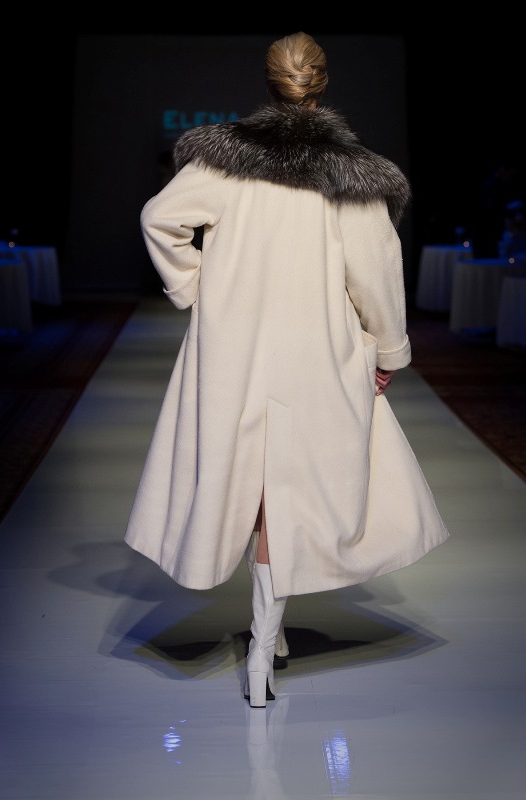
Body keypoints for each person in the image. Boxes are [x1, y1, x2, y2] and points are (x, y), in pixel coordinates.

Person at [124, 32, 449, 708]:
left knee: (247, 478)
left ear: (271, 83)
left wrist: (196, 288)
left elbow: (159, 218)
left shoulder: (222, 161)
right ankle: (262, 650)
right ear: (320, 85)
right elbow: (376, 275)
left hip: (233, 348)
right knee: (292, 488)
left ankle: (263, 644)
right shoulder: (351, 173)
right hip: (315, 350)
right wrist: (388, 350)